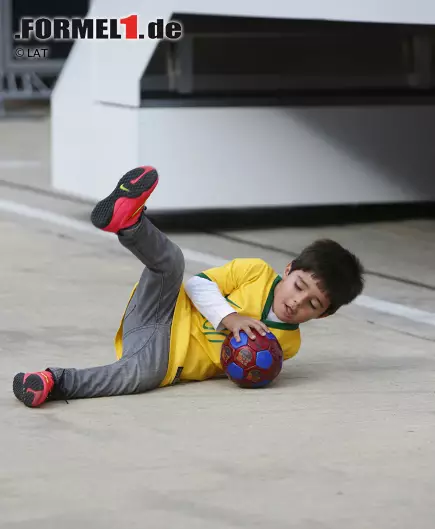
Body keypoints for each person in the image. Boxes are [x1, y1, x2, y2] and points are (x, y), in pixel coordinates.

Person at [13, 166, 365, 408]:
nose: (297, 302)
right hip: (162, 309)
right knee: (173, 264)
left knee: (138, 377)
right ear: (288, 270)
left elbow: (241, 367)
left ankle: (51, 382)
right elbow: (198, 286)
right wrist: (230, 318)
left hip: (165, 361)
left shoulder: (287, 344)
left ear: (323, 315)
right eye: (299, 285)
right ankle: (130, 222)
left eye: (312, 304)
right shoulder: (255, 272)